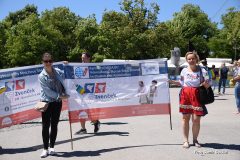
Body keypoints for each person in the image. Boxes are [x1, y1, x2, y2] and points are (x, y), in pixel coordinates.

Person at [169, 51, 210, 148]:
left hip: (197, 95)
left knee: (196, 119)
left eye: (193, 58)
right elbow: (181, 82)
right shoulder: (184, 70)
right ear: (187, 60)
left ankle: (195, 140)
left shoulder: (203, 70)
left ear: (196, 59)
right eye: (189, 59)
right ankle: (185, 140)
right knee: (185, 118)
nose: (191, 60)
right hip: (185, 94)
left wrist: (206, 83)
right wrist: (172, 81)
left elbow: (208, 82)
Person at [38, 52, 69, 158]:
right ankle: (45, 149)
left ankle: (52, 148)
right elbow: (48, 92)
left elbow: (68, 76)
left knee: (55, 125)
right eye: (46, 61)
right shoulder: (41, 76)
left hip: (57, 103)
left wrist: (67, 65)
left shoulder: (59, 72)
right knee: (45, 126)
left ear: (52, 62)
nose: (48, 63)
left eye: (50, 61)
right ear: (42, 62)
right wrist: (61, 96)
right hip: (46, 102)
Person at [75, 52, 100, 134]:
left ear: (89, 58)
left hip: (90, 94)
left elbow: (98, 80)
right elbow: (75, 81)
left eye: (84, 58)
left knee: (90, 112)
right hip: (80, 93)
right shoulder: (78, 68)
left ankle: (96, 122)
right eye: (81, 58)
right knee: (81, 111)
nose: (82, 60)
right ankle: (83, 129)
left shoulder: (93, 68)